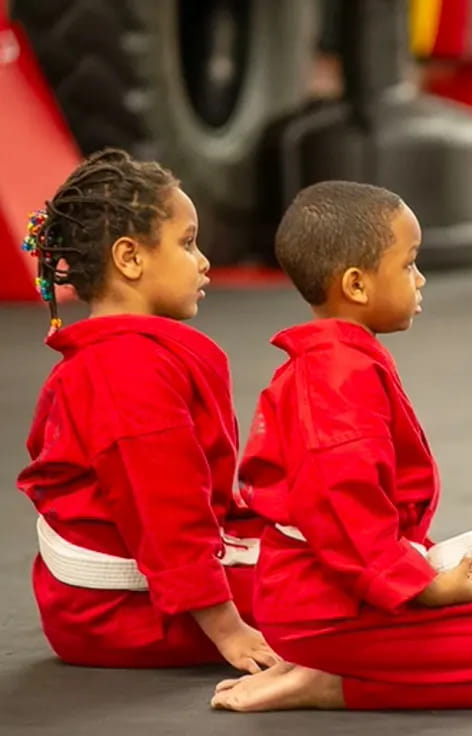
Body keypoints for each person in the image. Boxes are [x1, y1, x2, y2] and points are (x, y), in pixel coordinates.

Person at [211, 181, 472, 712]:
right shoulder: (337, 377)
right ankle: (326, 683)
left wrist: (432, 572)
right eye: (409, 263)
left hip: (334, 591)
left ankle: (327, 665)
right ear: (357, 285)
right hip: (324, 607)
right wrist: (426, 591)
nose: (420, 279)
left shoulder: (341, 363)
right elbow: (343, 509)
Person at [16, 149, 277, 671]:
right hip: (120, 612)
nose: (203, 260)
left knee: (326, 556)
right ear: (130, 258)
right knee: (328, 595)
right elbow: (167, 511)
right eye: (187, 243)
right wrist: (230, 632)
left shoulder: (127, 356)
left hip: (126, 597)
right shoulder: (127, 371)